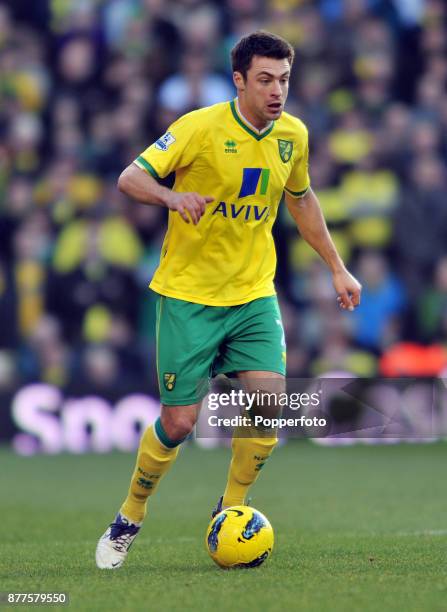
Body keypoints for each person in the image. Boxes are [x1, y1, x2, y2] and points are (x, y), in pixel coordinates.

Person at [95, 30, 361, 569]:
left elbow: (302, 201)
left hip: (252, 295)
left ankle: (231, 509)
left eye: (284, 79)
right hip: (188, 297)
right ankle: (130, 515)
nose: (277, 90)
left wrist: (337, 267)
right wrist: (172, 195)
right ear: (238, 81)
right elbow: (130, 178)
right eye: (264, 79)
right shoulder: (198, 127)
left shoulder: (293, 135)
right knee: (179, 424)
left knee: (269, 401)